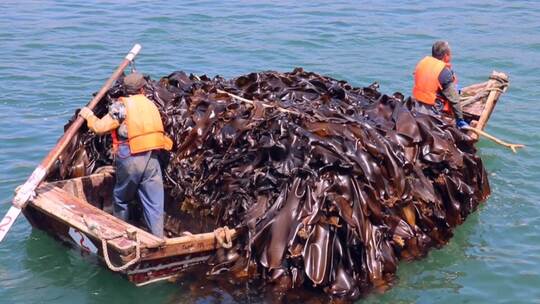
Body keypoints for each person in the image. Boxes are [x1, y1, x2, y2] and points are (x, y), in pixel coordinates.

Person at [79, 73, 172, 237]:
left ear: (126, 90)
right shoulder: (151, 104)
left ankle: (120, 234)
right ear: (142, 89)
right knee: (154, 202)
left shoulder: (121, 106)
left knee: (121, 198)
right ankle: (157, 238)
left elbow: (100, 127)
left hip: (131, 156)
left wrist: (89, 116)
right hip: (152, 157)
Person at [412, 41, 469, 129]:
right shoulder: (444, 71)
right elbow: (454, 100)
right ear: (446, 55)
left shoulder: (422, 62)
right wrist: (459, 120)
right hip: (431, 111)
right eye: (450, 54)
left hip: (416, 105)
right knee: (454, 93)